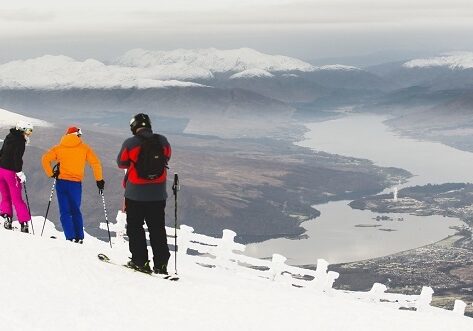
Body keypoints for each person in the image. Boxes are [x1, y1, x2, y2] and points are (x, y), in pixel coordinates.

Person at [116, 113, 171, 274]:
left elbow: (121, 163)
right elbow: (167, 157)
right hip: (158, 194)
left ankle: (140, 262)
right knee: (157, 228)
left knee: (135, 228)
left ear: (134, 127)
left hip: (135, 194)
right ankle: (161, 265)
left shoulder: (130, 143)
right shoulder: (163, 141)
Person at [41, 126, 104, 243]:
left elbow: (45, 159)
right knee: (75, 210)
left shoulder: (59, 148)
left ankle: (70, 237)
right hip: (75, 184)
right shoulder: (84, 148)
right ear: (78, 135)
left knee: (64, 211)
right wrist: (99, 180)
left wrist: (51, 173)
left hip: (61, 183)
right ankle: (79, 237)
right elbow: (95, 163)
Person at [0, 121, 33, 233]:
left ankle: (7, 219)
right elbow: (17, 158)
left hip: (1, 171)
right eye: (28, 131)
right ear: (22, 129)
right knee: (17, 199)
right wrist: (19, 173)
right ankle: (24, 224)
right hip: (11, 173)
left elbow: (2, 152)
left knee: (5, 196)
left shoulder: (9, 137)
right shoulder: (20, 141)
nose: (29, 134)